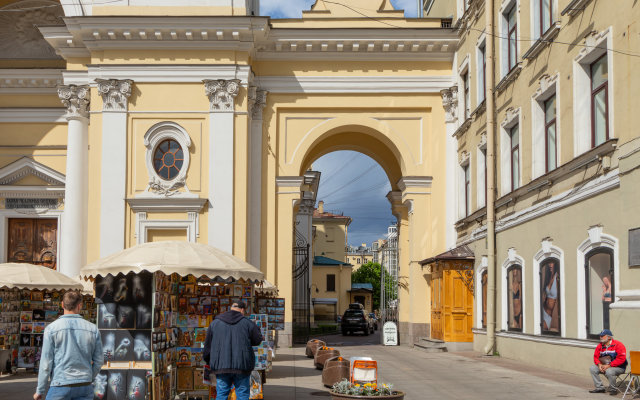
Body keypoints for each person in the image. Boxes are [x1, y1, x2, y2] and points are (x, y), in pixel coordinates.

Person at [34, 291, 103, 400]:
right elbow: (99, 361)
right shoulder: (93, 329)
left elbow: (46, 363)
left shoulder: (51, 329)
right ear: (79, 306)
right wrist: (88, 377)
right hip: (84, 386)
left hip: (60, 384)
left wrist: (40, 390)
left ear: (62, 304)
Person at [203, 301, 263, 400]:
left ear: (231, 308)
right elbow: (258, 340)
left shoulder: (215, 323)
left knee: (221, 394)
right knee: (242, 394)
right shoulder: (247, 323)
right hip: (242, 365)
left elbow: (207, 346)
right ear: (242, 310)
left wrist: (208, 361)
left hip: (221, 366)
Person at [589, 329, 627, 394]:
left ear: (609, 337)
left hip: (619, 367)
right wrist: (599, 365)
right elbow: (596, 357)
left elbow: (621, 358)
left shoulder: (618, 345)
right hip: (604, 365)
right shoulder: (600, 346)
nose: (600, 337)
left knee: (609, 371)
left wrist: (609, 365)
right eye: (600, 336)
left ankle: (613, 389)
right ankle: (600, 388)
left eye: (602, 336)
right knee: (592, 368)